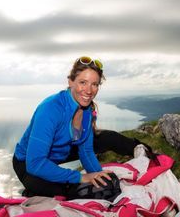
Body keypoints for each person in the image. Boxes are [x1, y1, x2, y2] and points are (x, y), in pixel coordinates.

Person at [13, 56, 124, 200]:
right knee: (75, 191)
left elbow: (86, 151)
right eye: (83, 82)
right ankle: (33, 192)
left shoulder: (86, 110)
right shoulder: (50, 109)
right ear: (71, 82)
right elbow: (35, 163)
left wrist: (98, 176)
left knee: (105, 187)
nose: (89, 90)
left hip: (52, 160)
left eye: (94, 84)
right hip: (28, 164)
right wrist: (80, 177)